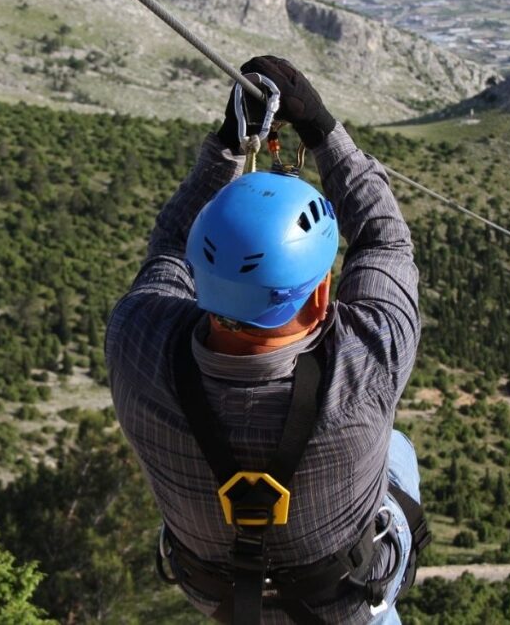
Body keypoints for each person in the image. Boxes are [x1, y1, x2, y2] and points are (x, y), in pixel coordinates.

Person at [105, 55, 429, 624]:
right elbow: (384, 240)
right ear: (322, 297)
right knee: (396, 448)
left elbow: (169, 247)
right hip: (344, 596)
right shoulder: (365, 365)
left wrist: (230, 146)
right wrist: (323, 130)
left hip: (216, 592)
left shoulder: (138, 343)